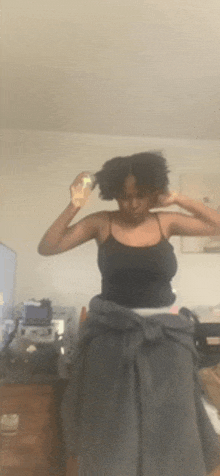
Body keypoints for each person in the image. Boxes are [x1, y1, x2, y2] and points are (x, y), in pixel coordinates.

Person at [38, 152, 220, 475]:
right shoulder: (101, 222)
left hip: (167, 338)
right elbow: (48, 246)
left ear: (153, 191)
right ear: (113, 194)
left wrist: (177, 198)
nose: (133, 204)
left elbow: (216, 224)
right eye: (124, 196)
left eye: (141, 195)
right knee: (111, 428)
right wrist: (76, 204)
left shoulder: (166, 220)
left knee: (173, 427)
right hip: (111, 336)